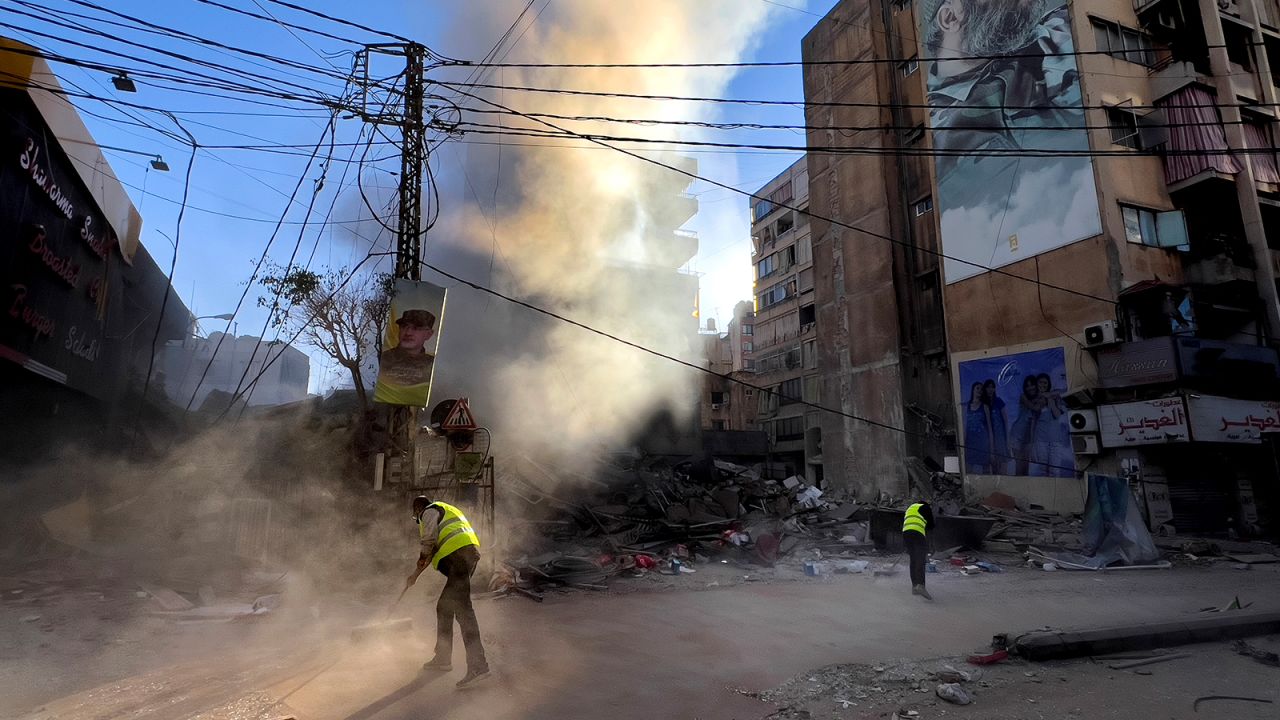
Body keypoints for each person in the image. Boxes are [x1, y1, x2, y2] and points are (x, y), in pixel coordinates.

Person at [406, 496, 490, 689]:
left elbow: (428, 542)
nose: (417, 518)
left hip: (459, 559)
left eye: (415, 514)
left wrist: (419, 561)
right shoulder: (446, 512)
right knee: (445, 607)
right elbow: (434, 550)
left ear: (418, 508)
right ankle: (443, 658)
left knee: (464, 610)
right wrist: (415, 576)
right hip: (465, 558)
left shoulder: (429, 511)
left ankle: (479, 666)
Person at [373, 309, 437, 405]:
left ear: (428, 334)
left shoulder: (433, 365)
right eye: (404, 326)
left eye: (416, 328)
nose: (408, 332)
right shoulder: (384, 359)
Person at [902, 501, 935, 600]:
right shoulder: (925, 507)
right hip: (918, 533)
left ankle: (914, 586)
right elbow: (931, 525)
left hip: (906, 533)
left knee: (913, 559)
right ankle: (920, 585)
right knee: (920, 559)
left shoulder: (910, 508)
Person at [1009, 375, 1040, 475]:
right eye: (1027, 386)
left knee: (1025, 469)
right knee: (1019, 467)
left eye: (1032, 385)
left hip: (1028, 438)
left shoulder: (1039, 399)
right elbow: (1034, 408)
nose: (1030, 388)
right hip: (1017, 436)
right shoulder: (1023, 397)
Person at [983, 379, 1011, 475]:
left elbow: (1006, 421)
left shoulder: (998, 401)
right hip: (987, 440)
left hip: (1000, 439)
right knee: (992, 468)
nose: (990, 389)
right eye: (988, 387)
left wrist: (1007, 440)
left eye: (992, 387)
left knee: (1003, 468)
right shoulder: (983, 404)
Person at [963, 382, 991, 473]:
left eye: (981, 389)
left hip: (983, 443)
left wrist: (992, 446)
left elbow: (989, 428)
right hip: (970, 443)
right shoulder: (966, 406)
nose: (980, 391)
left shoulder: (985, 407)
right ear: (973, 390)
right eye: (977, 388)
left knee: (986, 468)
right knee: (968, 468)